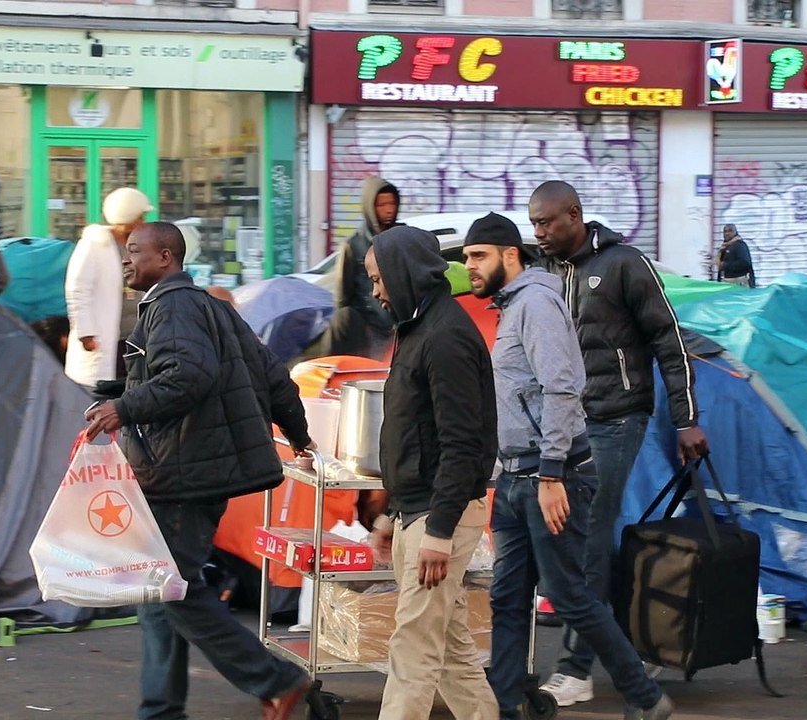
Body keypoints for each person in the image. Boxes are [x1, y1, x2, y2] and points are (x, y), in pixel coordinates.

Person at [84, 221, 314, 720]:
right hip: (194, 471)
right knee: (156, 589)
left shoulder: (172, 306)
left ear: (165, 257)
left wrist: (124, 407)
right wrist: (299, 436)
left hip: (181, 474)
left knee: (172, 589)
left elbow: (188, 375)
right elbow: (275, 377)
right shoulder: (214, 308)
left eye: (135, 251)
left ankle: (275, 679)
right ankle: (161, 709)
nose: (126, 259)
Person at [463, 212, 674, 720]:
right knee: (508, 597)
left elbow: (561, 388)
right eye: (467, 257)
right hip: (515, 476)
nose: (469, 266)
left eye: (478, 256)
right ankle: (509, 704)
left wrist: (552, 472)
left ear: (509, 255)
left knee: (569, 594)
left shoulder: (535, 304)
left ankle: (645, 697)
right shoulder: (511, 306)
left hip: (551, 476)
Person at [528, 180, 707, 706]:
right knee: (583, 538)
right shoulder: (543, 272)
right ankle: (625, 639)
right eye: (533, 224)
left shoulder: (625, 263)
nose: (539, 232)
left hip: (617, 417)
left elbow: (670, 341)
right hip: (565, 424)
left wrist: (686, 420)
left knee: (586, 534)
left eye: (546, 222)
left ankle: (575, 668)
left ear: (574, 215)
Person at [363, 225, 499, 720]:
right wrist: (391, 514)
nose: (375, 292)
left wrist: (439, 531)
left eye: (379, 279)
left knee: (413, 649)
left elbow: (462, 444)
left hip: (441, 516)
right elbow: (417, 434)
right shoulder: (418, 328)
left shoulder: (445, 338)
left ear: (404, 274)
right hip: (419, 512)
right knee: (451, 651)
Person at [64, 187, 152, 389]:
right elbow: (78, 290)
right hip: (105, 339)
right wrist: (86, 332)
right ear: (129, 218)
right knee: (102, 393)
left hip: (135, 338)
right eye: (140, 217)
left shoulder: (138, 246)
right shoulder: (95, 245)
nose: (143, 222)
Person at [324, 175, 400, 358]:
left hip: (400, 329)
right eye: (381, 205)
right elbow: (342, 298)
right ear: (370, 207)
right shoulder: (353, 246)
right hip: (369, 333)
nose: (388, 210)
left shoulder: (402, 238)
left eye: (392, 203)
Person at [716, 223, 755, 288]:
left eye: (730, 231)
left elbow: (745, 263)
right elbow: (720, 267)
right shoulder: (724, 247)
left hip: (739, 283)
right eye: (725, 231)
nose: (727, 233)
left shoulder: (740, 245)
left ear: (735, 232)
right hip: (727, 282)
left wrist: (725, 265)